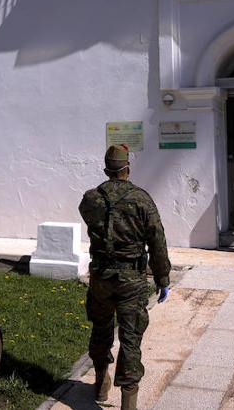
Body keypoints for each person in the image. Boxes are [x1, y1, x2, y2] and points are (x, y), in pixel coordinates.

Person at [78, 144, 171, 410]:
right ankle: (128, 403)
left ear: (106, 169)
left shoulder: (91, 198)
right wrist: (163, 278)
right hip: (131, 278)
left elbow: (87, 215)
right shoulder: (141, 199)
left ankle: (101, 384)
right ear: (127, 169)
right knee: (131, 338)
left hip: (101, 277)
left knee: (101, 328)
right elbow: (157, 240)